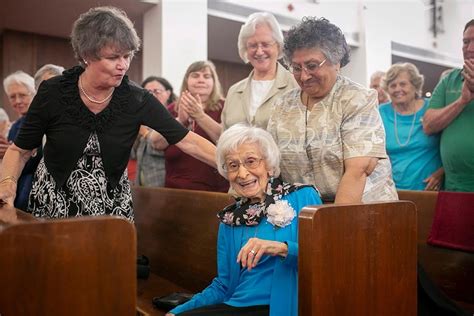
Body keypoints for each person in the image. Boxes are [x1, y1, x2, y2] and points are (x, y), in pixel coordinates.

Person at [0, 6, 216, 221]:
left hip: (111, 207)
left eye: (127, 56)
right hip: (54, 203)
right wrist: (7, 185)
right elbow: (20, 150)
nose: (123, 65)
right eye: (113, 57)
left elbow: (189, 142)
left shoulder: (137, 99)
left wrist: (234, 165)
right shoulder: (54, 92)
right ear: (87, 56)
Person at [167, 124, 322, 316]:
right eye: (233, 165)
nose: (242, 173)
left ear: (270, 166)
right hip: (236, 306)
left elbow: (324, 259)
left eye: (251, 161)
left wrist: (281, 248)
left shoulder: (302, 197)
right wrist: (177, 311)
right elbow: (223, 285)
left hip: (281, 307)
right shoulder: (230, 219)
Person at [267, 17, 397, 203]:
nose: (304, 76)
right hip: (305, 213)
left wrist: (332, 226)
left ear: (336, 61)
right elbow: (272, 168)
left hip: (360, 211)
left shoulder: (357, 99)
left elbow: (357, 171)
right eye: (296, 68)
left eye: (312, 66)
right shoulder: (282, 106)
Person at [221, 12, 298, 134]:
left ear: (278, 46)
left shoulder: (297, 86)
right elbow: (224, 136)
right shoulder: (233, 92)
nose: (259, 51)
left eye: (265, 44)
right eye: (252, 45)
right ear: (245, 49)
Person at [423, 19, 474, 192]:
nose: (470, 48)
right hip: (455, 188)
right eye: (466, 42)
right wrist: (462, 101)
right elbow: (428, 125)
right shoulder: (449, 81)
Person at [163, 61, 229, 192]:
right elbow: (155, 142)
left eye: (206, 76)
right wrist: (180, 120)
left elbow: (228, 141)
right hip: (174, 189)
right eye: (195, 75)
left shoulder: (226, 106)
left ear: (214, 82)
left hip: (215, 190)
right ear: (187, 80)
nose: (201, 80)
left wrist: (200, 116)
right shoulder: (173, 108)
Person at [379, 63, 443, 190]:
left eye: (403, 84)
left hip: (429, 188)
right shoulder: (381, 112)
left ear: (415, 86)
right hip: (393, 190)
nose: (398, 89)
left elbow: (452, 146)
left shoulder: (432, 108)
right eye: (392, 85)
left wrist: (441, 173)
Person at [3, 71, 42, 211]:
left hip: (36, 192)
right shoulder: (15, 126)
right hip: (17, 189)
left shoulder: (43, 121)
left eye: (22, 95)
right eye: (12, 97)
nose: (18, 101)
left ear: (34, 94)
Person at [134, 76, 176, 187]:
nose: (152, 95)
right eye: (148, 92)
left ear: (168, 93)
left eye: (157, 91)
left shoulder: (174, 117)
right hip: (141, 183)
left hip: (163, 182)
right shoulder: (142, 116)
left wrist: (145, 133)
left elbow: (161, 147)